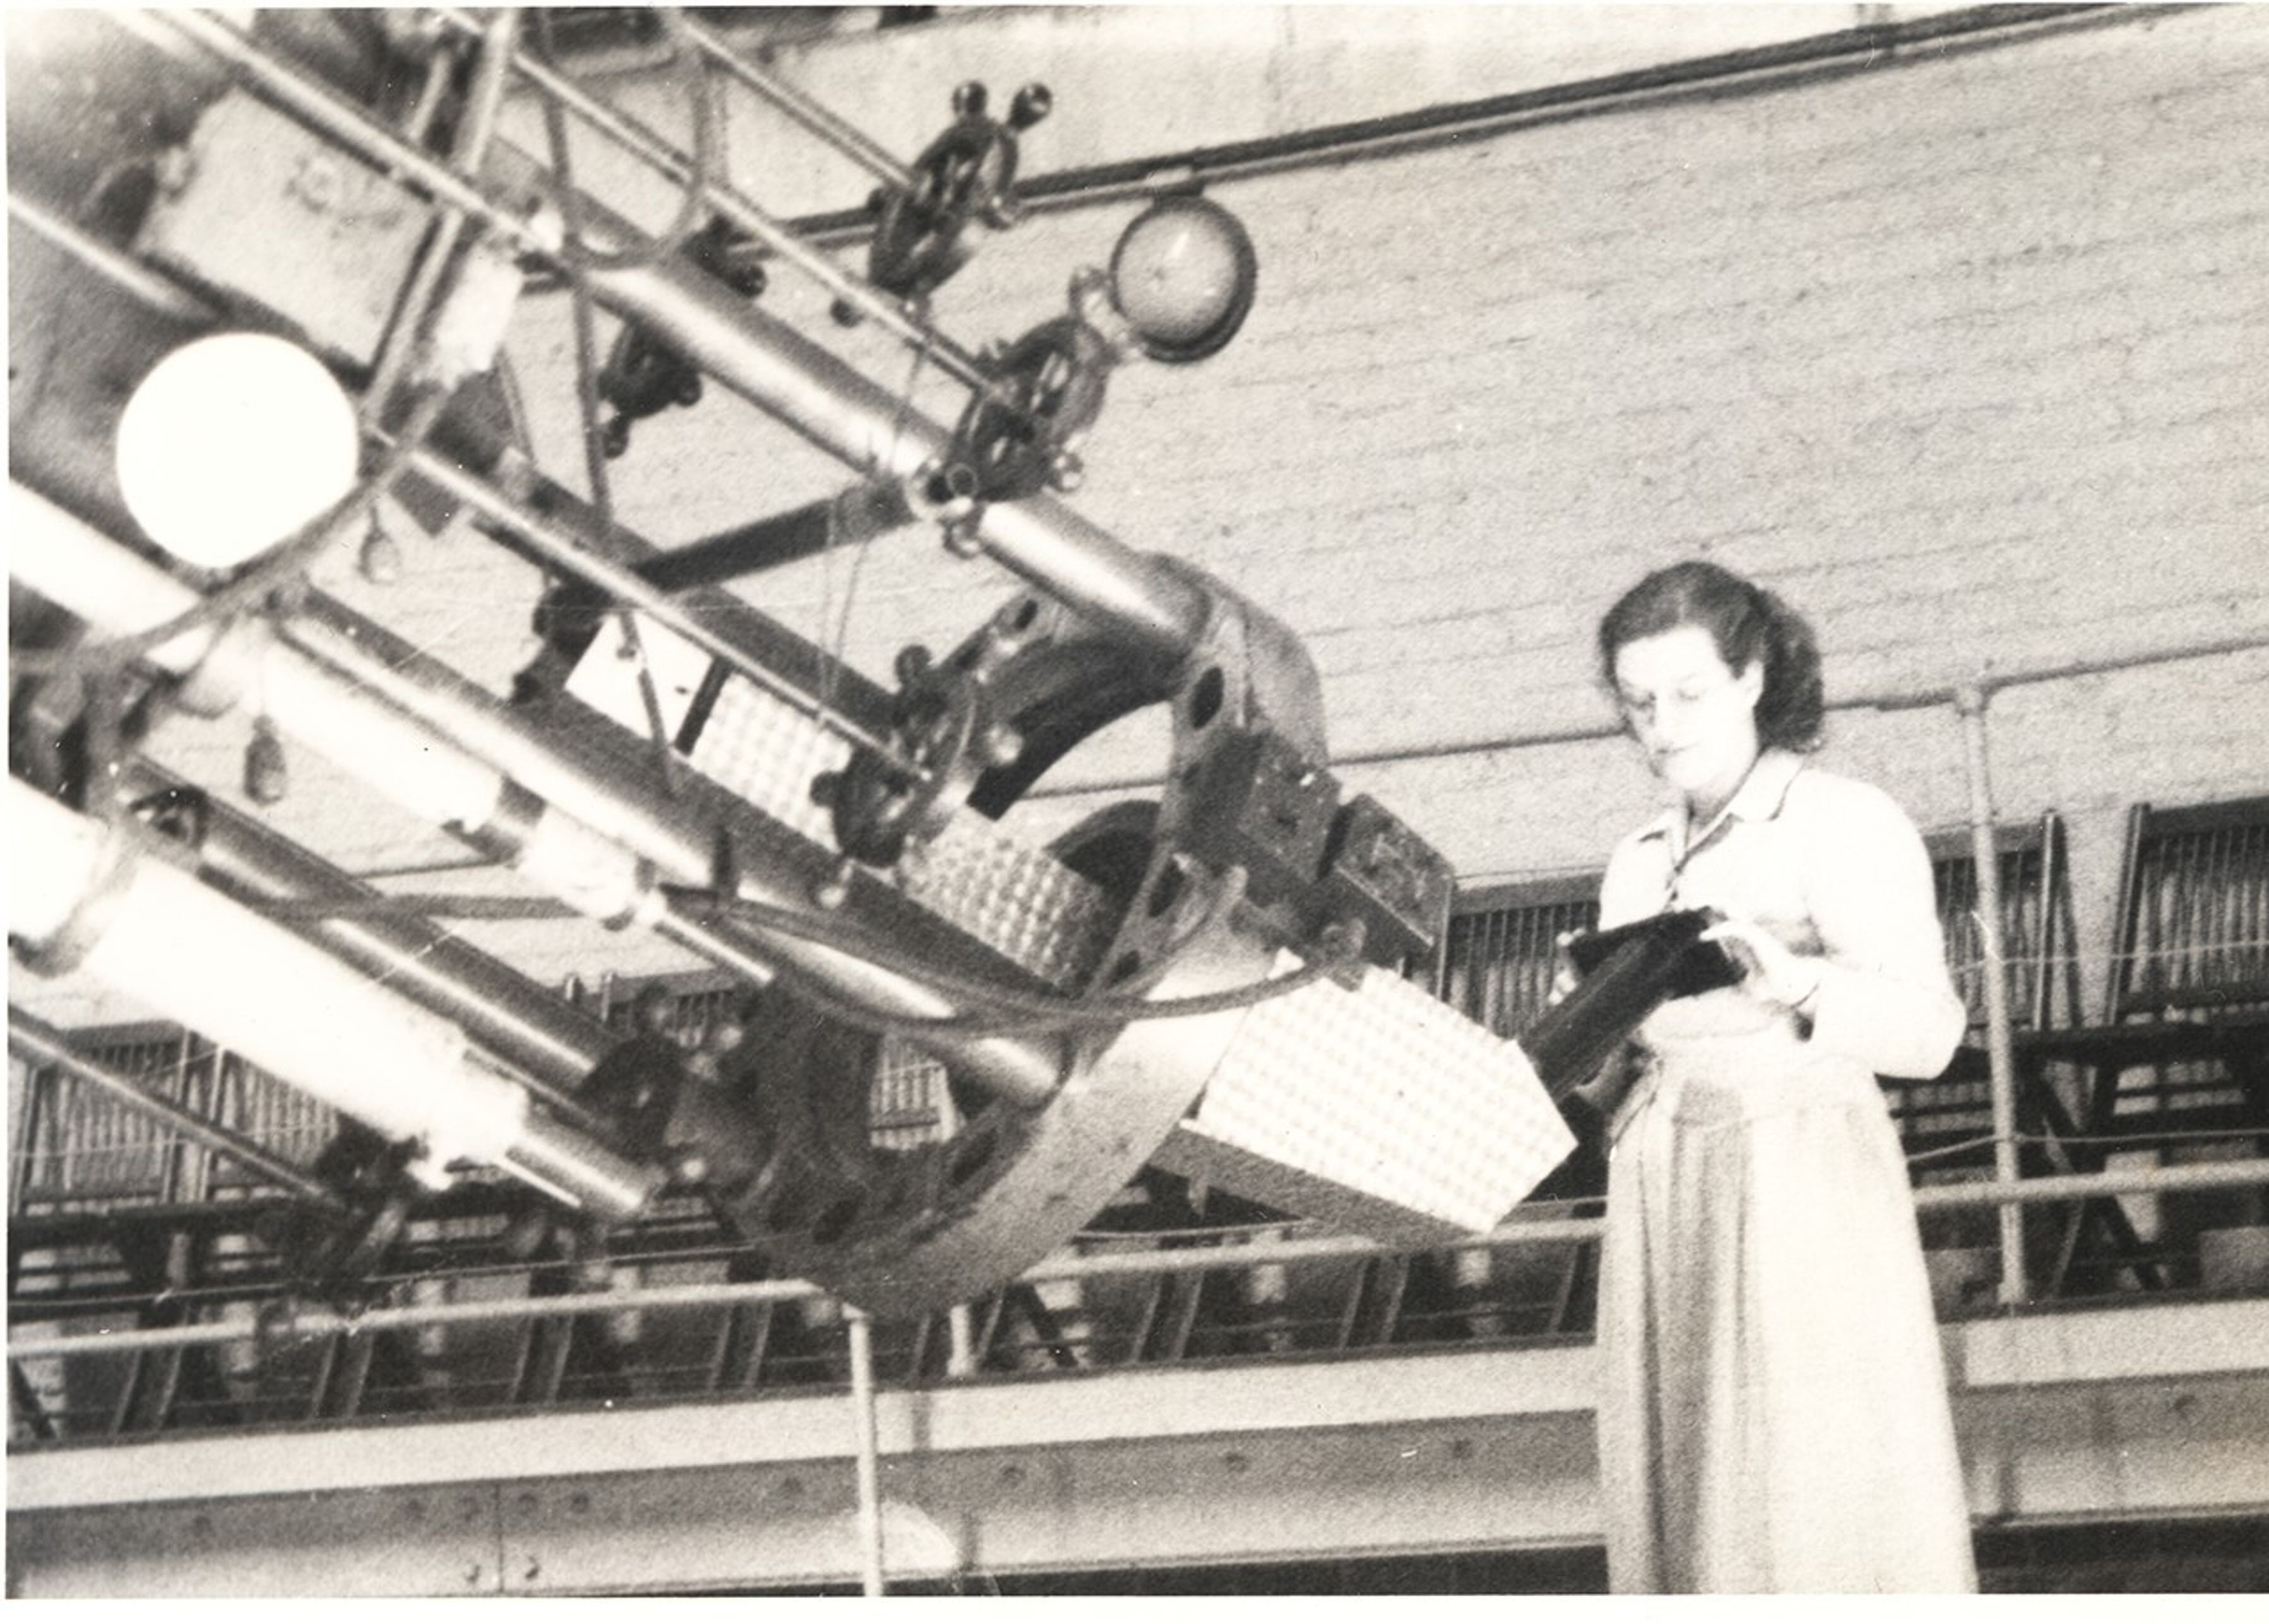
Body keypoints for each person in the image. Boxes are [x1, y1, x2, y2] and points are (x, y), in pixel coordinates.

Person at [1580, 559, 1974, 1592]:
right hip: (1664, 1178)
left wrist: (1799, 982)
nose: (1663, 726)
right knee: (1683, 1489)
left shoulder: (1841, 820)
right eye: (1639, 704)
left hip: (1800, 1176)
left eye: (1689, 694)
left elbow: (1932, 1035)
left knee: (1805, 1480)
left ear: (1753, 677)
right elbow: (1638, 1053)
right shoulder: (1634, 859)